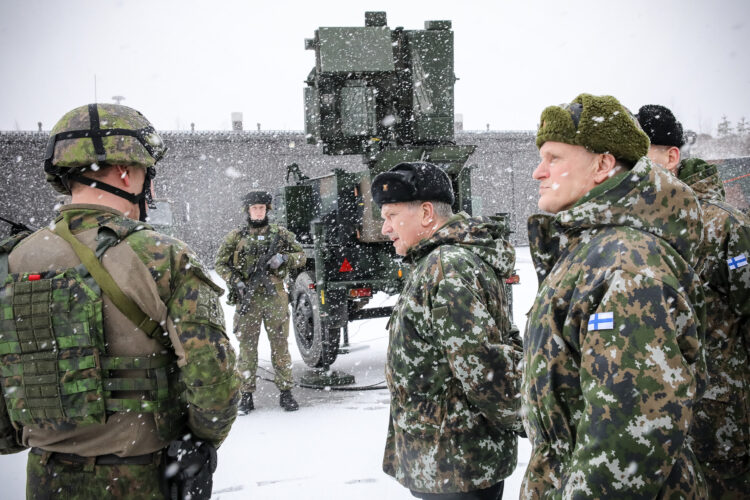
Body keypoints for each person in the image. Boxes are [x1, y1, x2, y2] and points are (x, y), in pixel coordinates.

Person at [0, 103, 240, 499]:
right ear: (127, 172)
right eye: (148, 173)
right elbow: (213, 381)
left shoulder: (11, 260)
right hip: (142, 477)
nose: (152, 188)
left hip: (46, 478)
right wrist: (201, 440)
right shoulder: (162, 255)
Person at [523, 94, 709, 498]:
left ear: (603, 165)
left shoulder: (625, 265)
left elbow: (632, 434)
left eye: (554, 158)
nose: (539, 172)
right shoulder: (588, 250)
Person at [371, 162, 523, 500]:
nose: (385, 228)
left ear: (426, 213)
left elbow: (483, 369)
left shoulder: (447, 266)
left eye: (392, 216)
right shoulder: (441, 261)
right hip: (449, 465)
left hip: (455, 469)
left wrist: (538, 421)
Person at [638, 104, 750, 499]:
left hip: (717, 426)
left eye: (644, 157)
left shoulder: (725, 226)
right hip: (654, 429)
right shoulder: (636, 230)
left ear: (672, 157)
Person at [215, 191, 306, 413]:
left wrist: (283, 258)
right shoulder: (236, 236)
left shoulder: (280, 234)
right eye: (255, 208)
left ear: (267, 210)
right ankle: (246, 394)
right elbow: (220, 263)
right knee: (247, 348)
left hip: (275, 296)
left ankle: (286, 392)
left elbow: (301, 256)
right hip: (249, 297)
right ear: (247, 210)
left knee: (280, 346)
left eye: (262, 208)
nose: (258, 212)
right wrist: (235, 281)